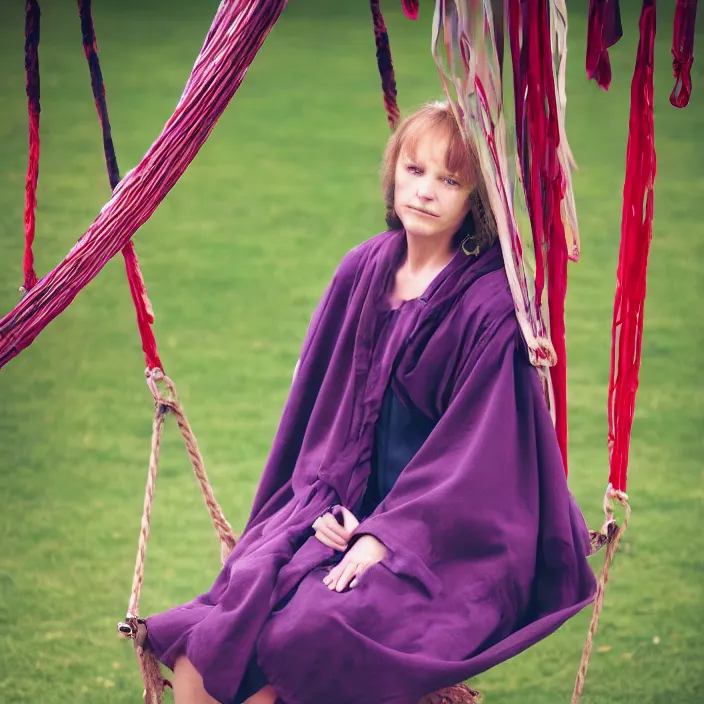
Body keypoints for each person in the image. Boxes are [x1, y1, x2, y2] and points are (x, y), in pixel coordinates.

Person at [145, 102, 597, 704]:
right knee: (207, 647)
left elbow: (480, 461)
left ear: (476, 199)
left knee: (300, 643)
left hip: (442, 543)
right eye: (415, 170)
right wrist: (326, 508)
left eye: (451, 179)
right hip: (334, 512)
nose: (427, 192)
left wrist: (386, 533)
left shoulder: (492, 306)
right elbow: (320, 420)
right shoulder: (361, 270)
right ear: (394, 174)